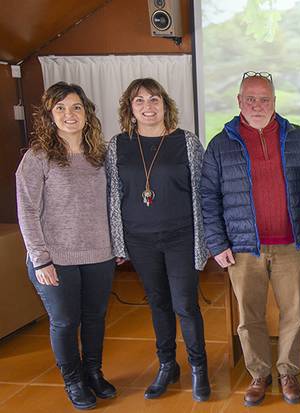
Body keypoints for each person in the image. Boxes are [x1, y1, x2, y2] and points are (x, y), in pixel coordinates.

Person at [200, 71, 300, 407]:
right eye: (251, 98)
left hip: (290, 244)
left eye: (265, 99)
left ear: (275, 102)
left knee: (294, 314)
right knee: (249, 317)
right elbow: (207, 197)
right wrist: (217, 243)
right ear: (239, 101)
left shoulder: (299, 137)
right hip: (243, 248)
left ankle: (288, 372)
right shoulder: (220, 144)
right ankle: (259, 374)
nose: (258, 105)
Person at [106, 78, 210, 401]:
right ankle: (167, 364)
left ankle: (198, 367)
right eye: (140, 101)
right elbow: (113, 196)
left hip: (181, 237)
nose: (148, 107)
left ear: (165, 104)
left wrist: (204, 242)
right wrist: (118, 242)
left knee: (185, 304)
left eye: (154, 100)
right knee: (158, 303)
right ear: (130, 109)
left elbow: (203, 195)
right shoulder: (118, 145)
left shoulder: (187, 142)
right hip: (140, 240)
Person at [16, 82, 116, 410]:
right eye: (60, 108)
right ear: (50, 115)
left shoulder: (100, 155)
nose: (69, 114)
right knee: (64, 321)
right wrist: (40, 259)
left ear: (87, 113)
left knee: (95, 318)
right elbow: (27, 211)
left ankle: (93, 373)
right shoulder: (37, 157)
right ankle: (73, 380)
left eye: (75, 107)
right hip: (55, 259)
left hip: (99, 255)